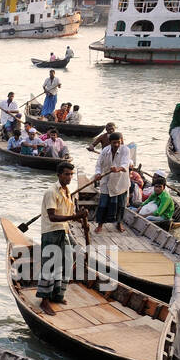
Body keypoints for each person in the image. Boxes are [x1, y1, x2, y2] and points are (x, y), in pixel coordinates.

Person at [39, 161, 89, 311]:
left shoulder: (68, 191)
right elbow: (53, 217)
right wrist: (75, 216)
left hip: (64, 231)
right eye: (66, 174)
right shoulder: (51, 192)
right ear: (59, 175)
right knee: (50, 265)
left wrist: (81, 220)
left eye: (71, 174)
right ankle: (44, 300)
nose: (69, 177)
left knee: (67, 262)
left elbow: (68, 215)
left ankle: (57, 295)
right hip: (51, 231)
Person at [93, 131, 132, 233]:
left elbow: (125, 164)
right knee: (103, 204)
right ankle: (100, 224)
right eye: (114, 142)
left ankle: (119, 223)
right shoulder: (105, 151)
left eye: (118, 142)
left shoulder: (125, 150)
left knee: (121, 205)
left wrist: (118, 169)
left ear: (121, 141)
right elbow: (98, 165)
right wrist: (98, 174)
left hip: (121, 181)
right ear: (110, 142)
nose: (116, 145)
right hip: (106, 180)